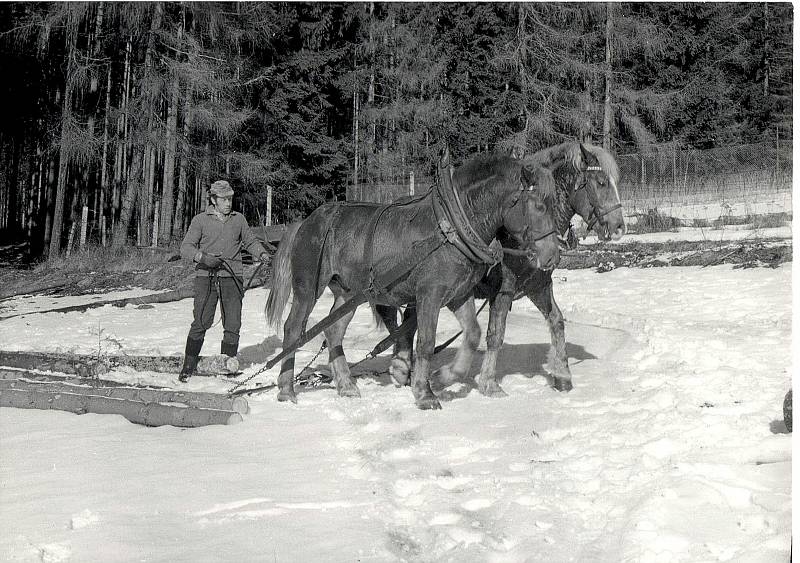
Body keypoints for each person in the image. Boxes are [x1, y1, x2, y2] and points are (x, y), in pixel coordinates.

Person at [178, 180, 270, 382]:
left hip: (232, 278)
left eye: (230, 199)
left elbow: (250, 241)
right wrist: (203, 258)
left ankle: (228, 365)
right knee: (201, 321)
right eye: (223, 199)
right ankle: (189, 365)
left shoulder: (239, 220)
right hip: (206, 278)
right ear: (213, 200)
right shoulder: (200, 220)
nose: (228, 203)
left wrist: (262, 254)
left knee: (233, 324)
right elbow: (186, 248)